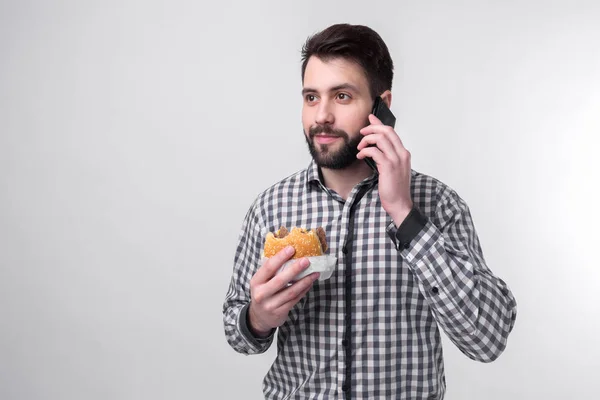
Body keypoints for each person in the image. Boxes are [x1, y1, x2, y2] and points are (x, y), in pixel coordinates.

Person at [222, 23, 517, 400]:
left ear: (382, 106)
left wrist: (404, 213)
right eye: (311, 97)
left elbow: (487, 340)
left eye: (342, 96)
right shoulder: (271, 208)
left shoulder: (437, 203)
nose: (322, 116)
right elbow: (237, 332)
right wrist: (257, 320)